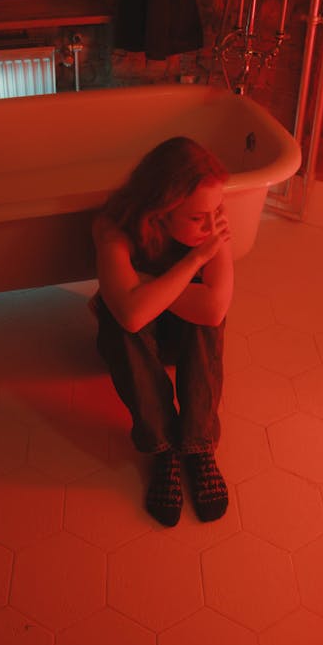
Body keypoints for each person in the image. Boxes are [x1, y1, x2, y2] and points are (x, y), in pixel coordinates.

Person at [90, 136, 234, 527]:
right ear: (160, 211)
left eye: (216, 210)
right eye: (196, 217)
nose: (211, 225)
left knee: (207, 320)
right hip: (137, 344)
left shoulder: (212, 224)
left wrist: (146, 287)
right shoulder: (112, 227)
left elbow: (215, 308)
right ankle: (163, 446)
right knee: (121, 320)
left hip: (179, 336)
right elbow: (133, 318)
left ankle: (198, 444)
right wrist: (196, 263)